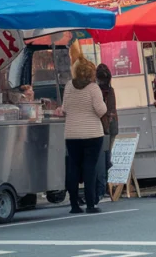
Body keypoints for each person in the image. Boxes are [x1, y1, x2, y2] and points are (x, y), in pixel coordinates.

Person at [62, 58, 107, 214]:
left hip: (72, 133)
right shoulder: (93, 88)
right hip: (92, 133)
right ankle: (90, 204)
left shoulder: (68, 86)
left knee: (73, 167)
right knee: (89, 168)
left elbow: (65, 108)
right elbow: (101, 110)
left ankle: (74, 204)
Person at [94, 64, 118, 202]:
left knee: (103, 158)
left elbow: (107, 111)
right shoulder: (110, 90)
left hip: (104, 127)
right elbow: (111, 111)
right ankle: (104, 188)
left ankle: (102, 188)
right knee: (106, 157)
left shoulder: (97, 90)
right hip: (110, 127)